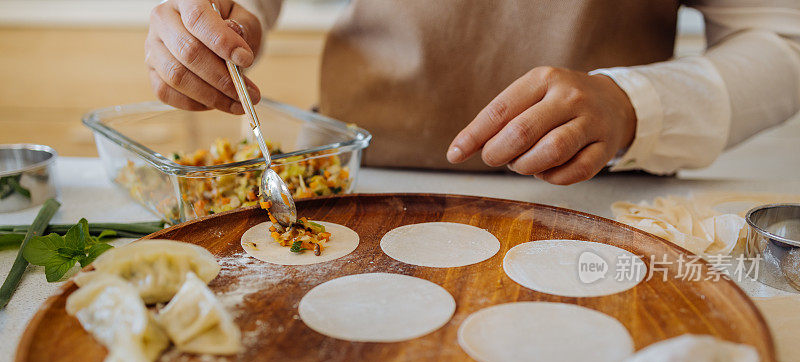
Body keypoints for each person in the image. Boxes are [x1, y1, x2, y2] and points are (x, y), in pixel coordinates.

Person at [145, 0, 800, 185]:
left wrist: (634, 104)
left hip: (603, 199)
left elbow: (781, 41)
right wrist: (221, 14)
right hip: (358, 180)